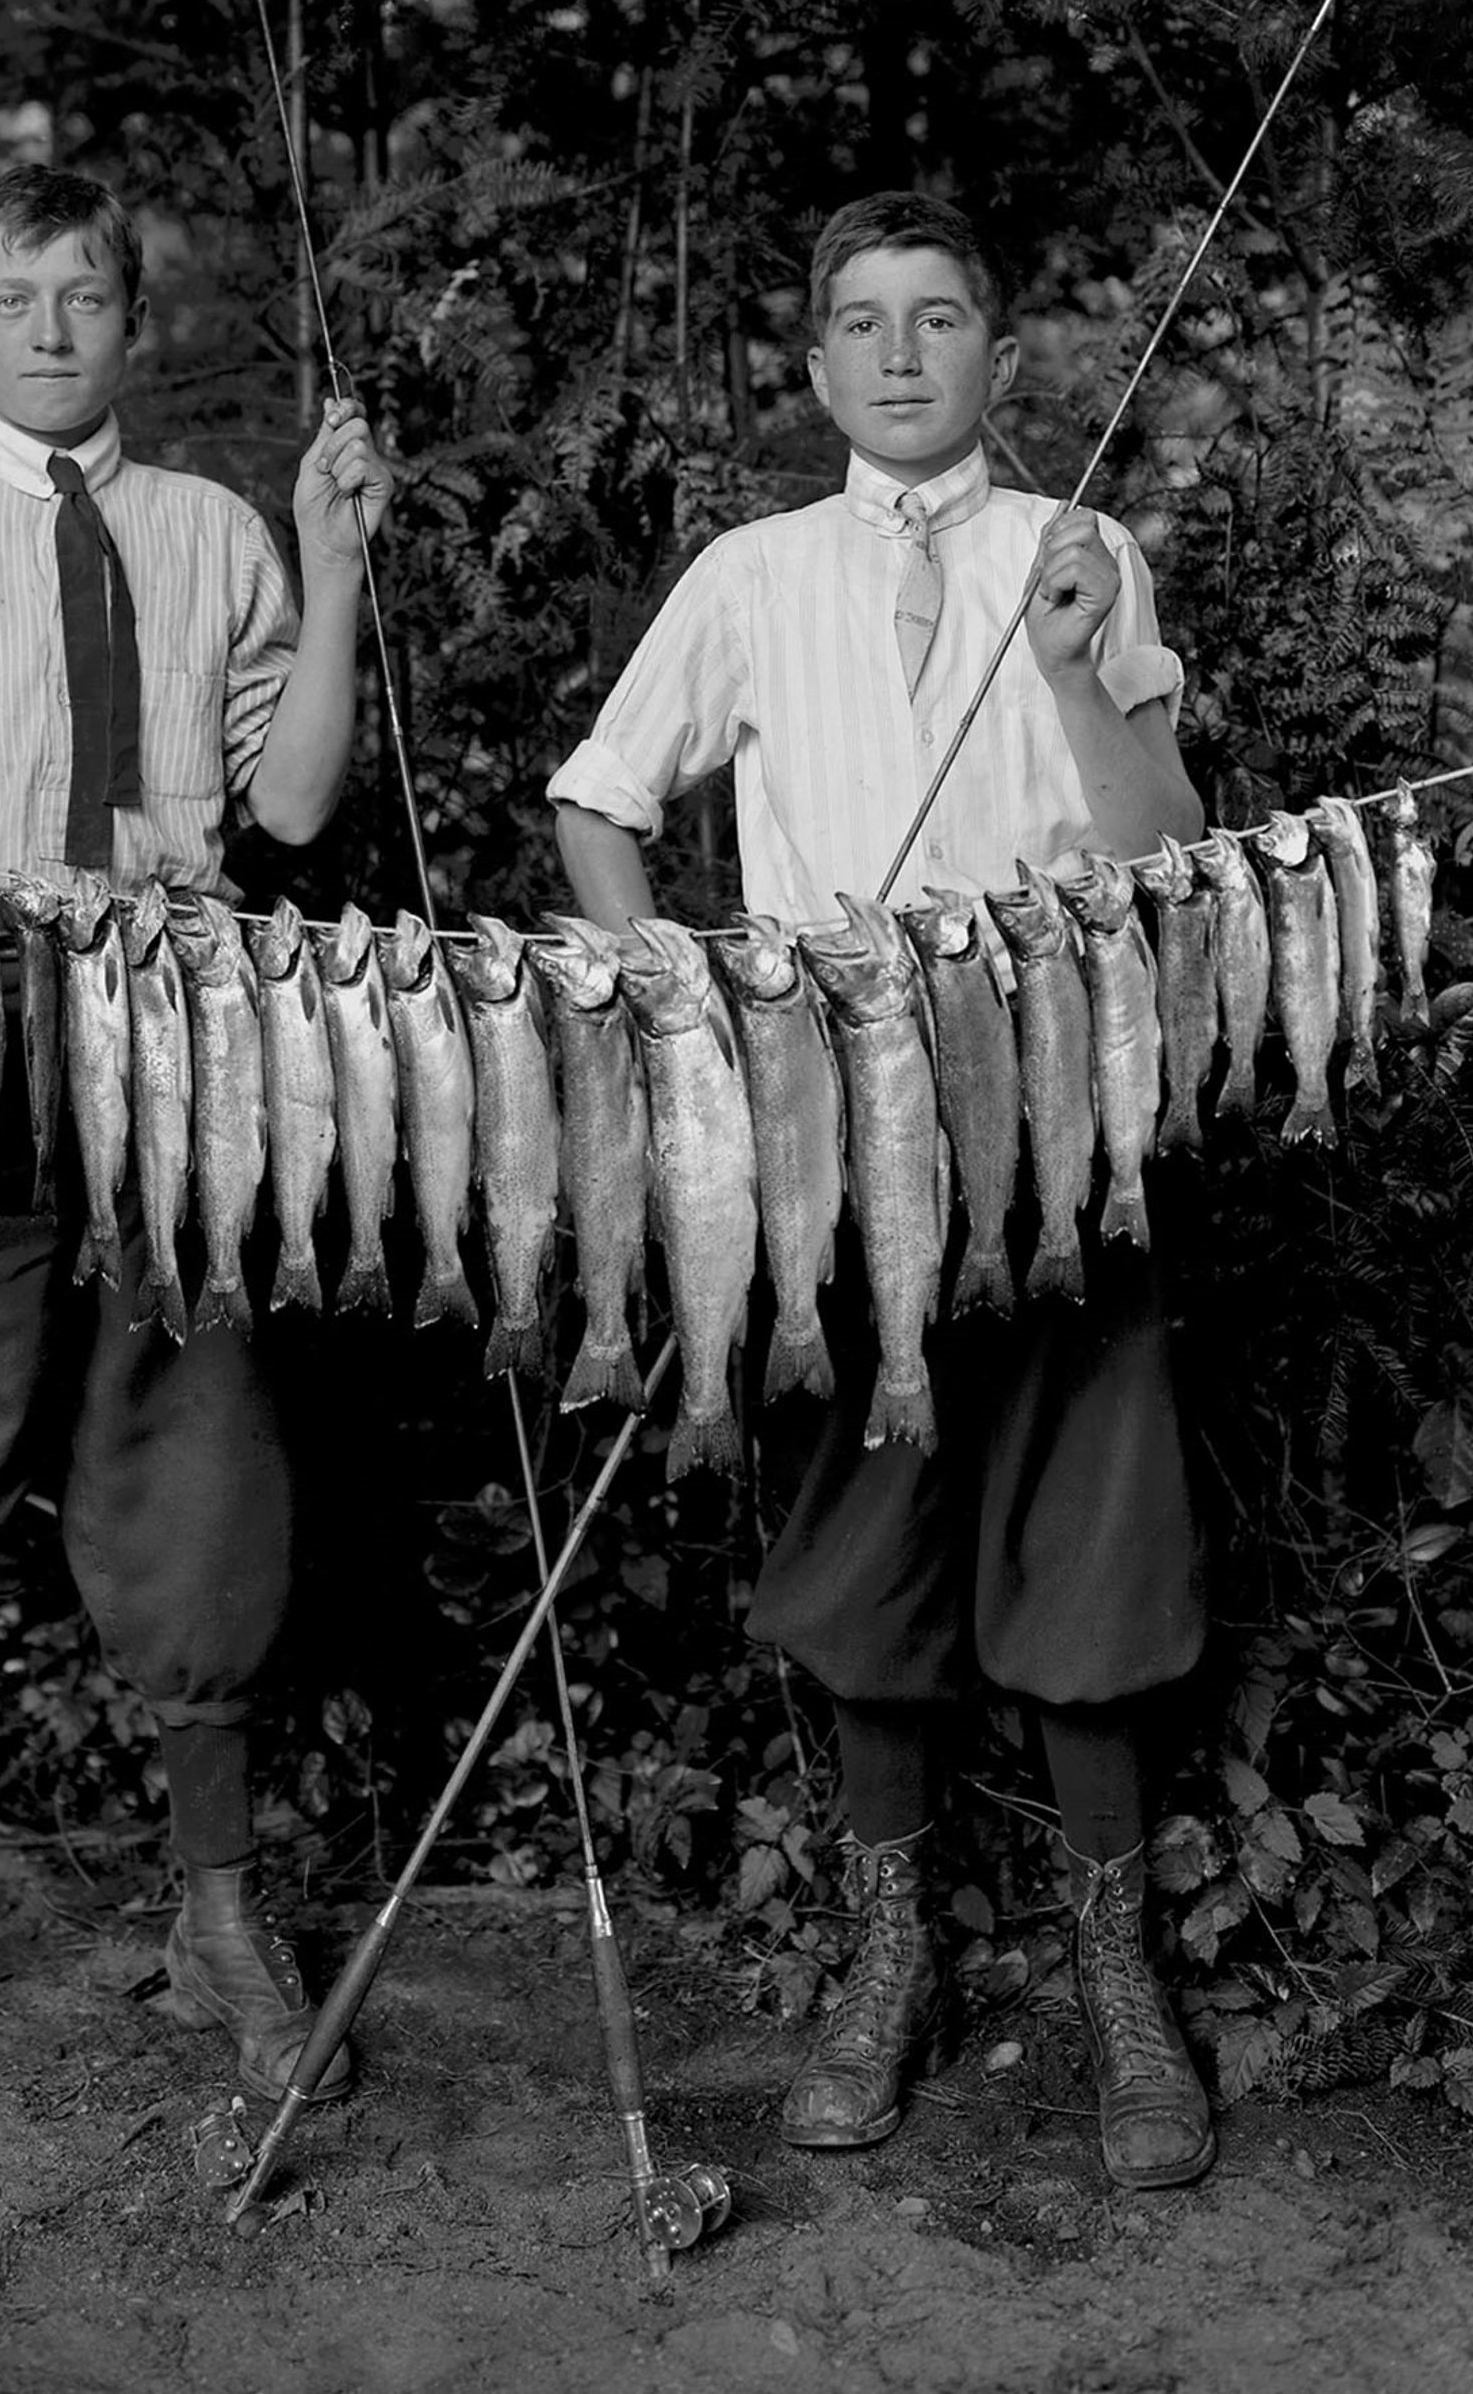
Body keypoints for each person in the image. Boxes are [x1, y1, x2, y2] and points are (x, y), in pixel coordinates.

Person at [548, 191, 1216, 2191]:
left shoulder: (1073, 554)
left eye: (941, 315)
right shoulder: (751, 572)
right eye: (864, 321)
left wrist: (1088, 671)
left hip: (1068, 1123)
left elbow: (1168, 846)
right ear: (818, 364)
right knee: (861, 1535)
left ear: (999, 353)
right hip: (834, 1130)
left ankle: (1117, 1973)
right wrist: (670, 976)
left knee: (1089, 1523)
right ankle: (892, 1948)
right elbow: (599, 799)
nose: (903, 351)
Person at [0, 162, 393, 2141]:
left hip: (175, 1062)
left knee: (199, 1471)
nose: (48, 329)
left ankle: (214, 1911)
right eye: (11, 296)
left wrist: (332, 550)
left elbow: (288, 801)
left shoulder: (203, 530)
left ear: (131, 320)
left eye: (82, 297)